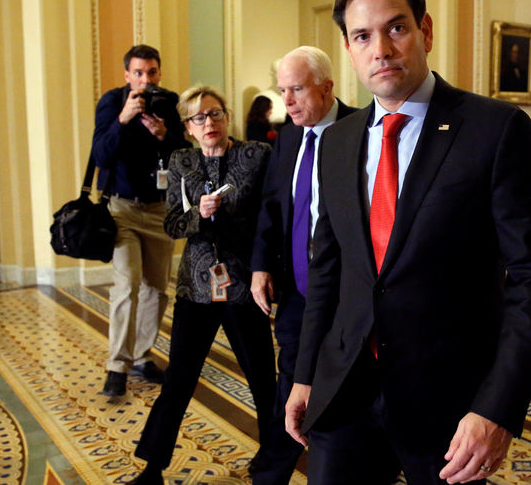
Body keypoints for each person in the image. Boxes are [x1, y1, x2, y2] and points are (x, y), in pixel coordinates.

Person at [284, 0, 531, 485]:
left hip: (450, 408)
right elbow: (328, 271)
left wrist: (498, 408)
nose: (381, 50)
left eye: (396, 28)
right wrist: (304, 376)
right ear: (348, 48)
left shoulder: (494, 130)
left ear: (426, 31)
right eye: (362, 36)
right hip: (345, 393)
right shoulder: (339, 142)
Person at [128, 85, 278, 484]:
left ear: (226, 117)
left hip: (244, 284)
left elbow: (272, 217)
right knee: (179, 378)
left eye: (214, 114)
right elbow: (173, 224)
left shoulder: (256, 155)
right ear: (188, 127)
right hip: (196, 287)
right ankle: (153, 467)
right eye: (198, 118)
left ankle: (273, 457)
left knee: (262, 377)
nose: (208, 123)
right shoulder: (181, 161)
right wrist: (199, 213)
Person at [250, 45, 357, 485]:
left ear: (327, 87)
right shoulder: (289, 135)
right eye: (282, 90)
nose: (287, 101)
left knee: (343, 392)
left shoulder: (360, 131)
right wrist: (260, 265)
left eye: (296, 89)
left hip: (346, 298)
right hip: (295, 293)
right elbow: (273, 206)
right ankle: (272, 473)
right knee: (290, 385)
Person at [92, 44, 190, 397]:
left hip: (160, 209)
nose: (145, 80)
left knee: (156, 288)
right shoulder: (111, 102)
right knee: (127, 285)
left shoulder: (169, 101)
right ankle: (117, 364)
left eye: (151, 72)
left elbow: (183, 154)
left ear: (159, 72)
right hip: (122, 210)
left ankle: (142, 355)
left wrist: (164, 135)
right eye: (138, 73)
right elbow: (100, 154)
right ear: (127, 75)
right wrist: (123, 119)